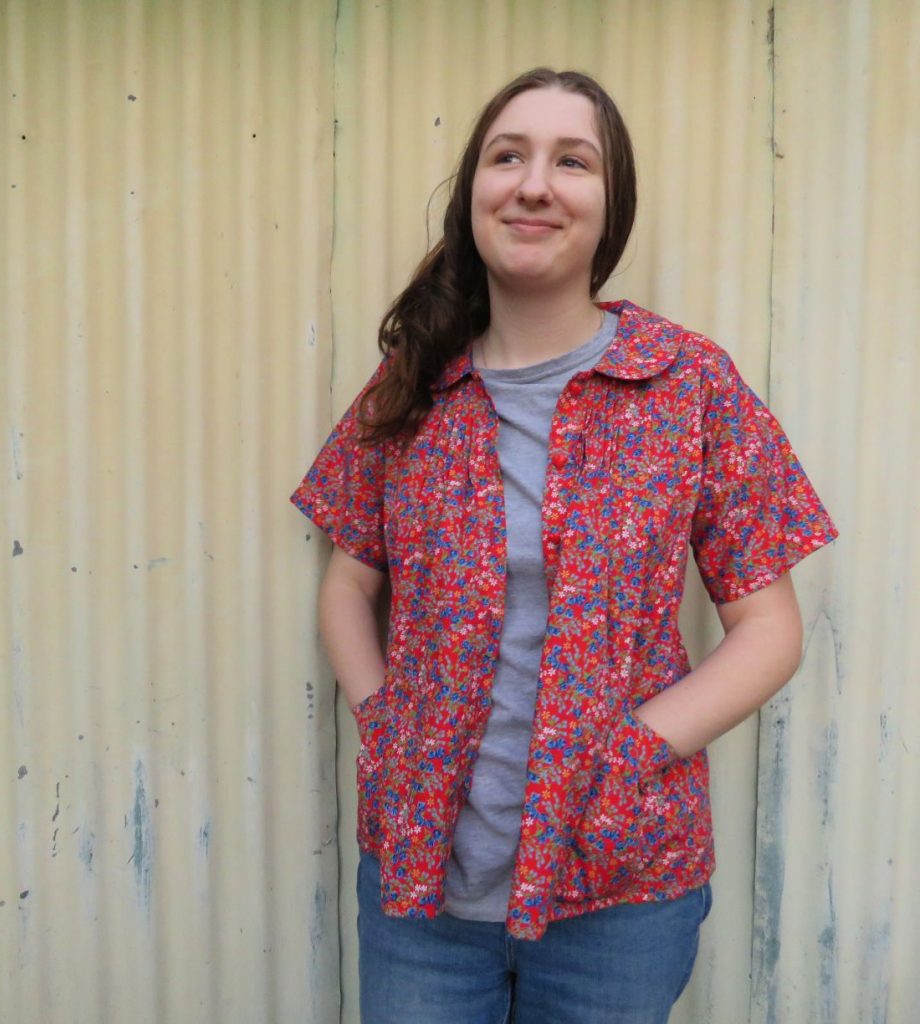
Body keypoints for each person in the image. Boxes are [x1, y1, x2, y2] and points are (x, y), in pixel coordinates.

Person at [292, 67, 836, 1024]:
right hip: (423, 894)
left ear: (609, 203)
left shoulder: (687, 384)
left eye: (571, 161)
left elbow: (769, 628)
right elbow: (346, 582)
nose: (534, 183)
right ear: (475, 194)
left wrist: (633, 751)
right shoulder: (412, 382)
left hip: (619, 890)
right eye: (508, 156)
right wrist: (383, 726)